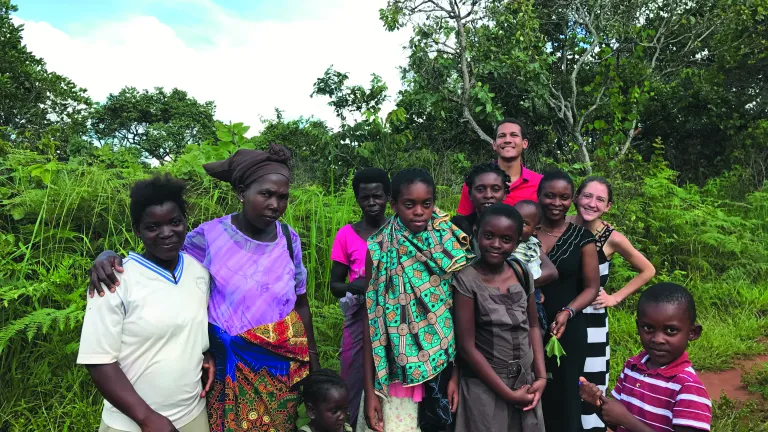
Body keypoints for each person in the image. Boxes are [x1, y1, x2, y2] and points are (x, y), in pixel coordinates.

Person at [88, 144, 321, 432]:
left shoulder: (289, 238)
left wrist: (312, 362)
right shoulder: (208, 238)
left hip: (280, 371)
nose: (275, 204)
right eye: (265, 194)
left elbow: (301, 302)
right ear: (241, 192)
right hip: (228, 374)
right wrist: (106, 256)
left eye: (282, 197)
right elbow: (161, 256)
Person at [77, 175, 214, 432]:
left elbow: (190, 326)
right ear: (137, 230)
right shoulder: (114, 280)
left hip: (193, 414)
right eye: (152, 227)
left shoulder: (200, 272)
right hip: (131, 423)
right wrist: (147, 418)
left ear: (186, 223)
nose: (166, 233)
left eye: (175, 222)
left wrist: (204, 353)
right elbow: (98, 362)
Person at [359, 168, 471, 432]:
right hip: (396, 369)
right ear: (394, 203)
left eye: (426, 204)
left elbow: (459, 313)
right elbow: (372, 318)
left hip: (443, 364)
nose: (419, 211)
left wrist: (457, 374)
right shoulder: (379, 248)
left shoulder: (448, 242)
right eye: (409, 204)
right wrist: (371, 390)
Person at [569, 176, 657, 432]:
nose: (591, 203)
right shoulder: (560, 226)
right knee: (562, 381)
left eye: (600, 199)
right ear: (576, 198)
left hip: (593, 320)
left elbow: (647, 270)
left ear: (608, 206)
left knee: (592, 385)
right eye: (586, 196)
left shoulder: (611, 237)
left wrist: (615, 297)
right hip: (561, 316)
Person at [452, 203, 546, 432]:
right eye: (489, 236)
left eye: (506, 239)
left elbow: (533, 325)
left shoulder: (521, 271)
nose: (496, 245)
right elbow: (467, 347)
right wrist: (510, 396)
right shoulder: (466, 280)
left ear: (516, 242)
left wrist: (541, 377)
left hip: (526, 382)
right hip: (485, 388)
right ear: (476, 234)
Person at [579, 283, 712, 432]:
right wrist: (596, 404)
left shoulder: (687, 386)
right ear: (638, 326)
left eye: (671, 330)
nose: (657, 339)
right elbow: (616, 421)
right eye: (648, 328)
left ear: (693, 333)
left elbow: (624, 420)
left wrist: (628, 421)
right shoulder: (632, 367)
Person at [536, 169, 601, 432]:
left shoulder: (582, 238)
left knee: (565, 394)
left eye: (563, 197)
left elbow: (592, 287)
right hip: (526, 326)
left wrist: (567, 311)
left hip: (568, 329)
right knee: (533, 392)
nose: (556, 203)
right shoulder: (524, 232)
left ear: (572, 199)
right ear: (539, 196)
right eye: (550, 196)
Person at [330, 168, 391, 427]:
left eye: (377, 196)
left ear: (388, 196)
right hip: (359, 316)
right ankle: (351, 424)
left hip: (394, 317)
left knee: (393, 377)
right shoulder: (346, 235)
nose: (371, 202)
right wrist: (356, 287)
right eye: (365, 197)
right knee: (353, 375)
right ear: (357, 199)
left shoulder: (399, 229)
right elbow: (335, 285)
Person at [456, 118, 543, 216]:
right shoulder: (475, 182)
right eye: (502, 136)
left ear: (524, 143)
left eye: (514, 135)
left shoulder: (541, 183)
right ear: (494, 144)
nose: (507, 140)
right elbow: (463, 225)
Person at [513, 200, 558, 331]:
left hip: (532, 297)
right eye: (514, 220)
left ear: (535, 230)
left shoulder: (534, 245)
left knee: (536, 329)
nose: (516, 226)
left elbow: (542, 268)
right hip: (509, 298)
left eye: (523, 224)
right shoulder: (506, 242)